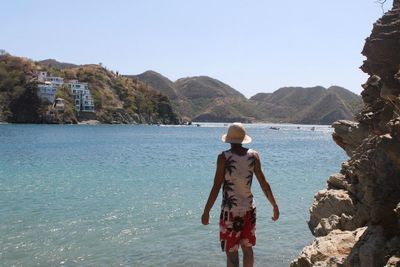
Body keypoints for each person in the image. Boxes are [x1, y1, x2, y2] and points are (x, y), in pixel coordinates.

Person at [201, 122, 279, 267]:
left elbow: (217, 186)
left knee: (231, 253)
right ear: (243, 139)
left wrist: (206, 211)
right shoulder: (254, 156)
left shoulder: (223, 157)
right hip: (249, 210)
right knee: (247, 248)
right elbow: (264, 183)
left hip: (230, 212)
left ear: (229, 139)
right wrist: (274, 205)